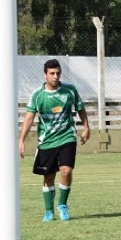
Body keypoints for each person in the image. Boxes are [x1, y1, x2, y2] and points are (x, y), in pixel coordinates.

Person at [18, 59, 91, 222]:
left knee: (66, 170)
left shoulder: (70, 90)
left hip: (67, 137)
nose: (56, 76)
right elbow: (29, 118)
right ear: (45, 75)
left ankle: (62, 205)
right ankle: (49, 211)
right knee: (49, 176)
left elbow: (81, 109)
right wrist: (21, 140)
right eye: (52, 73)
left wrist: (86, 128)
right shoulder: (38, 95)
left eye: (58, 73)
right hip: (47, 141)